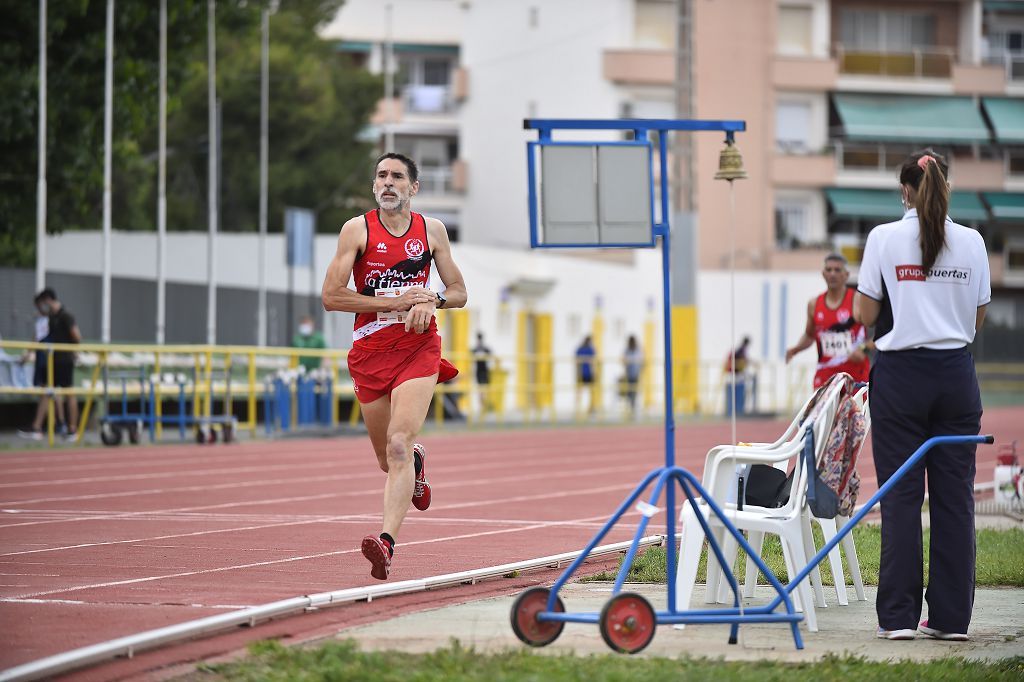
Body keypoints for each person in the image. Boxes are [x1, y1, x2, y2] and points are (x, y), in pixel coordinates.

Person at [853, 149, 990, 641]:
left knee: (902, 499)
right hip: (955, 375)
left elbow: (867, 315)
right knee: (955, 501)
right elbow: (976, 320)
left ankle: (898, 618)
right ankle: (952, 620)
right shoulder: (973, 242)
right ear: (946, 188)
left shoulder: (884, 238)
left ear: (905, 191)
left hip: (901, 377)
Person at [321, 152, 467, 581]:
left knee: (399, 442)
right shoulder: (357, 230)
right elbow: (332, 296)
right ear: (374, 186)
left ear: (413, 187)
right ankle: (416, 467)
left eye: (397, 176)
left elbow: (459, 290)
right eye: (381, 176)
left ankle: (386, 544)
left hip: (418, 348)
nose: (388, 182)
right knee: (390, 460)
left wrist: (431, 300)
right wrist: (394, 302)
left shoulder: (432, 231)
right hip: (370, 351)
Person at [785, 253, 872, 388]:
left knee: (853, 409)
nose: (832, 274)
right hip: (825, 378)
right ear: (823, 274)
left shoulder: (857, 300)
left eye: (837, 270)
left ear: (846, 275)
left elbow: (879, 334)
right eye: (829, 270)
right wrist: (796, 349)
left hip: (854, 378)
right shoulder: (814, 304)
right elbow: (809, 335)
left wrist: (864, 349)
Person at [19, 288, 81, 440]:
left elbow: (77, 337)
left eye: (42, 304)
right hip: (52, 360)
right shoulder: (51, 317)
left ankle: (72, 429)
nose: (40, 308)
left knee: (68, 393)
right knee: (47, 391)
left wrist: (71, 349)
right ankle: (36, 427)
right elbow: (39, 334)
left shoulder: (66, 316)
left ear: (48, 300)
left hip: (64, 360)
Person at [621, 335, 643, 414]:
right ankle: (630, 407)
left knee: (634, 391)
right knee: (630, 391)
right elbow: (623, 359)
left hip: (635, 373)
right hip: (629, 373)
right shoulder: (628, 350)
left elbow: (641, 360)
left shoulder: (637, 349)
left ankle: (633, 407)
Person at [471, 332, 493, 413]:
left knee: (483, 390)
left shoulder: (479, 349)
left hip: (482, 371)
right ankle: (482, 406)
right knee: (481, 390)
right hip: (481, 371)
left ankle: (483, 406)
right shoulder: (480, 349)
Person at [575, 335, 597, 415]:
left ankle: (579, 408)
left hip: (581, 373)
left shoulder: (580, 349)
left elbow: (576, 360)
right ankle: (590, 408)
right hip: (588, 373)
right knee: (590, 392)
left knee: (580, 392)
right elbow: (593, 362)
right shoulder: (590, 350)